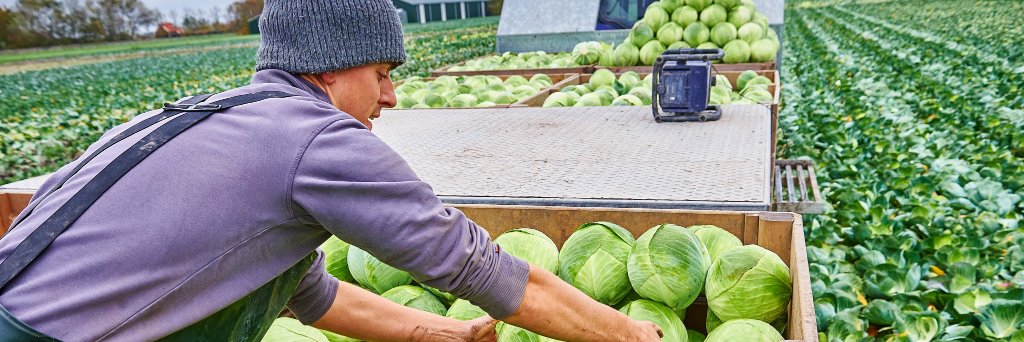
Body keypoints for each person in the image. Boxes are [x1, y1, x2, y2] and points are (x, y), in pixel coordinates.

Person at [0, 0, 663, 341]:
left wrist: (444, 331)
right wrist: (628, 334)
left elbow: (310, 292)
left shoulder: (219, 116)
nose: (392, 96)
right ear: (328, 69)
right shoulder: (314, 139)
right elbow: (475, 266)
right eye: (382, 73)